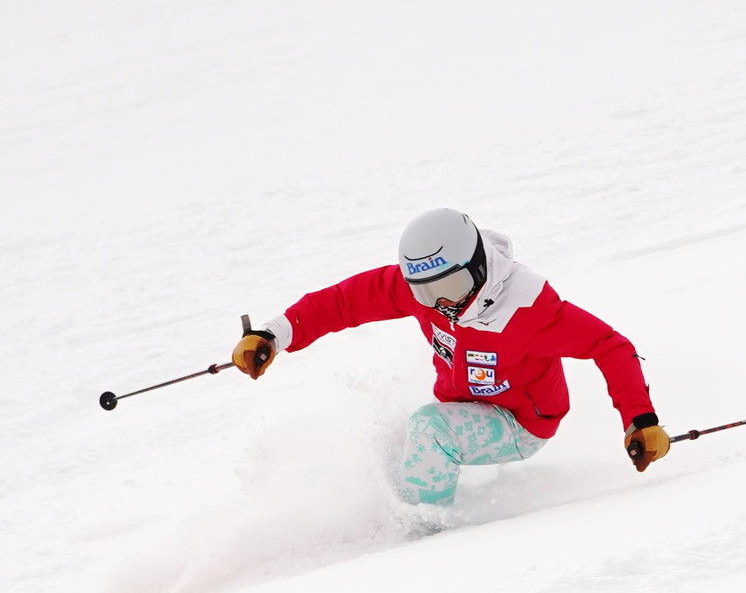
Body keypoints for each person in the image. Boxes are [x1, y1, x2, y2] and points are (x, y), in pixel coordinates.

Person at [231, 208, 669, 508]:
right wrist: (274, 334)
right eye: (425, 292)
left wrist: (640, 420)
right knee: (390, 441)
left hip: (522, 423)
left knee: (429, 429)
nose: (441, 303)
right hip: (463, 405)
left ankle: (426, 533)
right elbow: (344, 302)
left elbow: (610, 346)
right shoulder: (431, 291)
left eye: (452, 286)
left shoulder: (528, 307)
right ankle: (378, 514)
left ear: (478, 266)